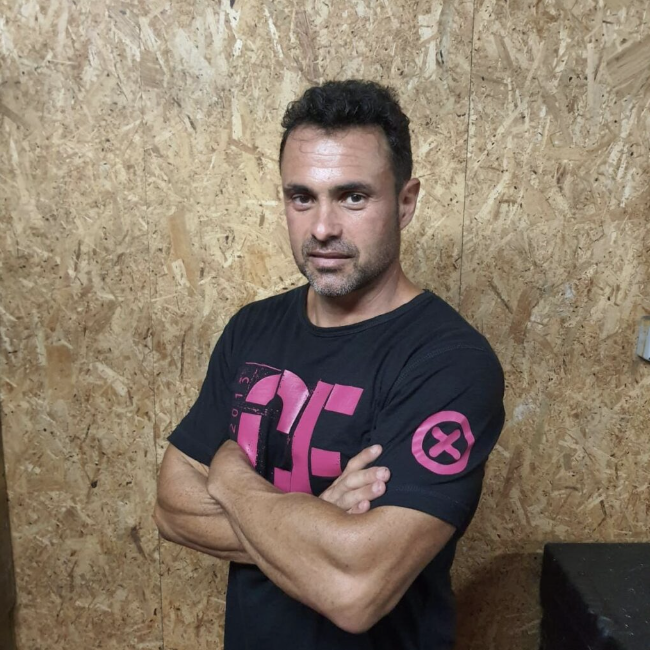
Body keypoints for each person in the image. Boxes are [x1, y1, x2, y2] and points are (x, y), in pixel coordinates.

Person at [154, 80, 505, 650]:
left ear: (406, 202)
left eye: (353, 197)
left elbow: (354, 589)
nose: (322, 228)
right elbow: (172, 508)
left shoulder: (449, 363)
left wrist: (232, 478)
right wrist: (319, 522)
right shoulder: (253, 329)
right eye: (302, 197)